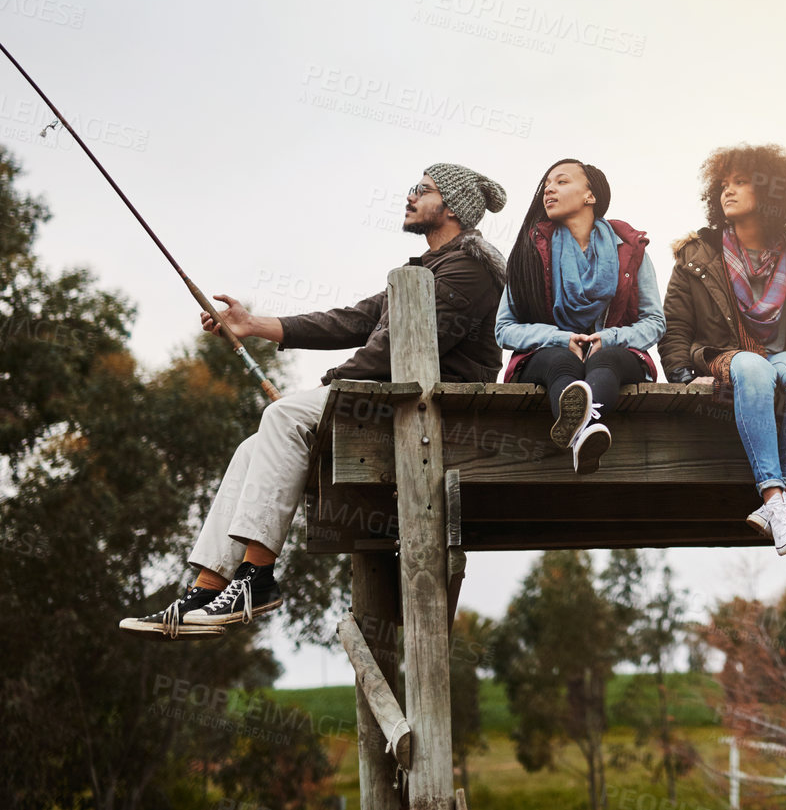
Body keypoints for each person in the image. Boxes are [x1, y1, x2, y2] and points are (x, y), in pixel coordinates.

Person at [120, 164, 509, 638]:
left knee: (282, 416)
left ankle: (256, 579)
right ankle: (207, 587)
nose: (409, 196)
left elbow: (400, 346)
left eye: (421, 190)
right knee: (253, 446)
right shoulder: (422, 270)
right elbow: (350, 320)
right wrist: (253, 325)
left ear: (450, 207)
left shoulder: (469, 271)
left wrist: (334, 382)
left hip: (435, 413)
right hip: (395, 404)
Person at [661, 144, 786, 555]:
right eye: (723, 184)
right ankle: (773, 495)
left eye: (740, 182)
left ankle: (777, 503)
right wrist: (679, 373)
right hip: (724, 356)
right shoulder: (696, 256)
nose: (726, 192)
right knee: (752, 367)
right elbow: (675, 327)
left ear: (770, 192)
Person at [495, 158, 663, 472]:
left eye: (561, 181)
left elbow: (654, 322)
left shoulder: (630, 249)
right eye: (546, 185)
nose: (549, 190)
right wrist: (558, 338)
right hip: (545, 358)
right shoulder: (529, 252)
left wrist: (610, 337)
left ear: (590, 196)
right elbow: (504, 329)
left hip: (616, 353)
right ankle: (587, 432)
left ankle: (580, 429)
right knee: (562, 361)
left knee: (606, 357)